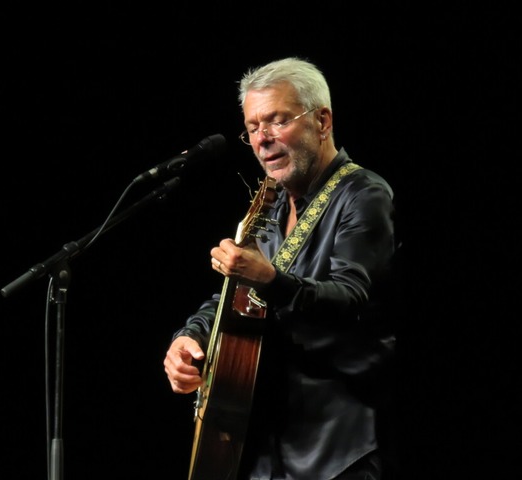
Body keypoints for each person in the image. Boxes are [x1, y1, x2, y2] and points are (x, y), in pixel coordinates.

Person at [163, 57, 398, 480]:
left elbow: (350, 298)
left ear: (322, 121)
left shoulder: (363, 194)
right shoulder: (270, 208)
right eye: (253, 127)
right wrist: (188, 338)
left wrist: (268, 278)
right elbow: (232, 298)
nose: (263, 139)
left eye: (277, 121)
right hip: (267, 449)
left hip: (339, 451)